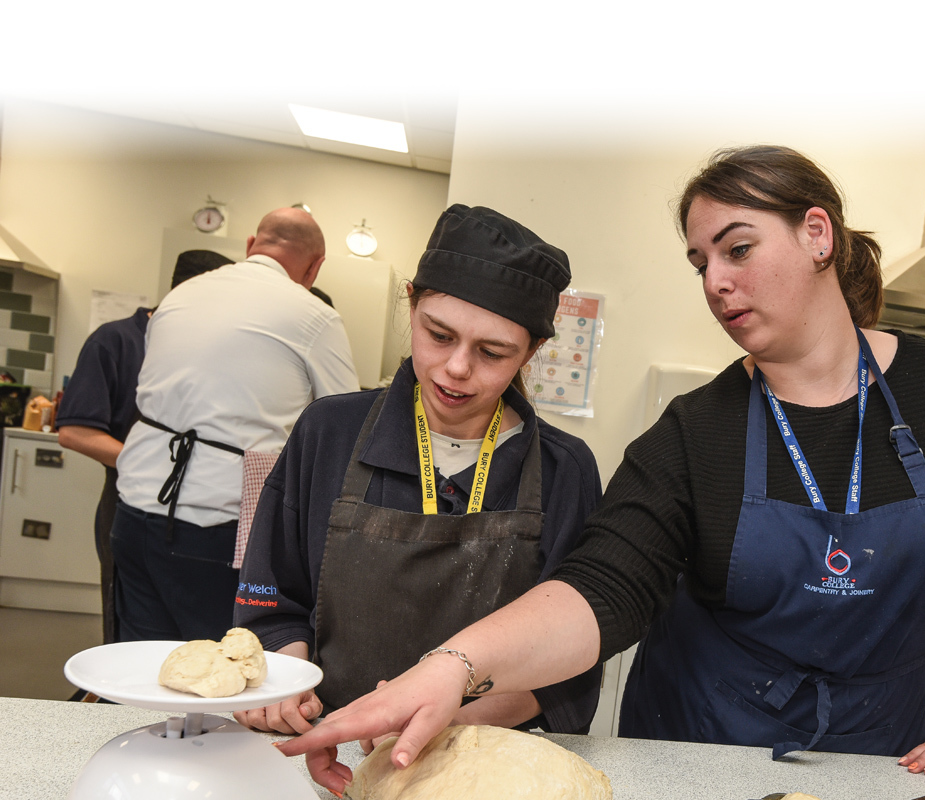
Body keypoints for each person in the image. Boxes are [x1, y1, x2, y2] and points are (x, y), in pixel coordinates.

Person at [280, 147, 925, 793]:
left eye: (738, 247)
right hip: (702, 754)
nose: (716, 281)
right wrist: (454, 666)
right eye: (701, 261)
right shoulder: (696, 432)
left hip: (879, 759)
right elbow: (603, 590)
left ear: (818, 233)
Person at [231, 204, 604, 738]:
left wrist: (437, 721)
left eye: (493, 352)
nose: (457, 368)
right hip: (323, 742)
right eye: (440, 335)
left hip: (477, 759)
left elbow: (566, 661)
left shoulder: (563, 470)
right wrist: (281, 685)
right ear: (411, 304)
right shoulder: (328, 432)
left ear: (533, 351)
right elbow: (273, 603)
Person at [111, 208, 359, 644]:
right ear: (316, 265)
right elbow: (344, 421)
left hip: (134, 510)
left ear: (250, 245)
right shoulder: (314, 315)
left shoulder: (181, 295)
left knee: (140, 662)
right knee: (225, 667)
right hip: (220, 528)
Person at [59, 249, 234, 644]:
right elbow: (74, 431)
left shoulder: (207, 349)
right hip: (130, 502)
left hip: (197, 515)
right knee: (131, 635)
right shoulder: (116, 340)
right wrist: (147, 461)